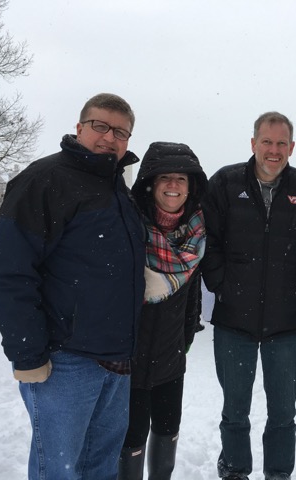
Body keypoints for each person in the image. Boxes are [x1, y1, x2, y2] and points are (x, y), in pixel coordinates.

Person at [0, 93, 146, 480]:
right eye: (100, 126)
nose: (109, 137)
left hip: (116, 359)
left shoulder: (118, 189)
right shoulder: (45, 179)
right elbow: (7, 271)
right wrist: (29, 354)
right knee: (60, 470)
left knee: (101, 467)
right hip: (65, 361)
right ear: (79, 127)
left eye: (121, 132)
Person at [201, 111, 296, 480]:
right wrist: (222, 284)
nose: (274, 150)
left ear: (292, 147)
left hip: (284, 324)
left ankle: (278, 473)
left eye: (281, 143)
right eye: (267, 142)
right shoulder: (225, 183)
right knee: (235, 410)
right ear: (253, 143)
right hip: (233, 321)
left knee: (283, 414)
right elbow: (208, 241)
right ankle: (235, 470)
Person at [118, 142, 208, 480]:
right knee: (131, 438)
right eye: (165, 177)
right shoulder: (129, 225)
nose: (173, 185)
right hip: (128, 360)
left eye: (181, 178)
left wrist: (187, 336)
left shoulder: (196, 232)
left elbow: (192, 293)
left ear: (191, 186)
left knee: (168, 430)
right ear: (150, 184)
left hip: (171, 358)